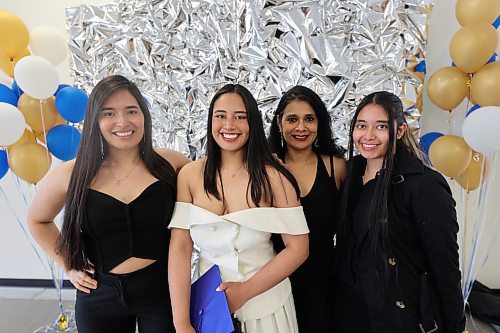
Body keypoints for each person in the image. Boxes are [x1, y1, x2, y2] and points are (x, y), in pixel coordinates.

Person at [28, 75, 190, 333]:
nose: (122, 122)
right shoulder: (72, 174)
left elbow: (218, 178)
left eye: (131, 111)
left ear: (144, 116)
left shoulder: (172, 163)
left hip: (162, 293)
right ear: (95, 120)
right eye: (109, 113)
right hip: (99, 295)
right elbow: (38, 220)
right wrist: (68, 265)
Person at [168, 83, 309, 333]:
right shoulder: (189, 175)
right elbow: (180, 248)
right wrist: (181, 322)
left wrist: (244, 292)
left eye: (240, 117)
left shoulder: (276, 177)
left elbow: (298, 249)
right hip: (208, 309)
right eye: (220, 116)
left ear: (252, 123)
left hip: (267, 306)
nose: (229, 125)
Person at [333, 91, 465, 332]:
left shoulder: (423, 185)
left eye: (381, 126)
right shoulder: (350, 172)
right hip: (349, 307)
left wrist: (454, 325)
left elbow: (444, 263)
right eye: (362, 125)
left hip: (395, 314)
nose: (368, 135)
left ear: (401, 131)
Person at [268, 85, 347, 331]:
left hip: (325, 284)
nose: (301, 127)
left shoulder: (337, 167)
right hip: (274, 281)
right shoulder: (265, 167)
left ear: (319, 123)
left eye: (309, 119)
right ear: (279, 123)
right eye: (292, 119)